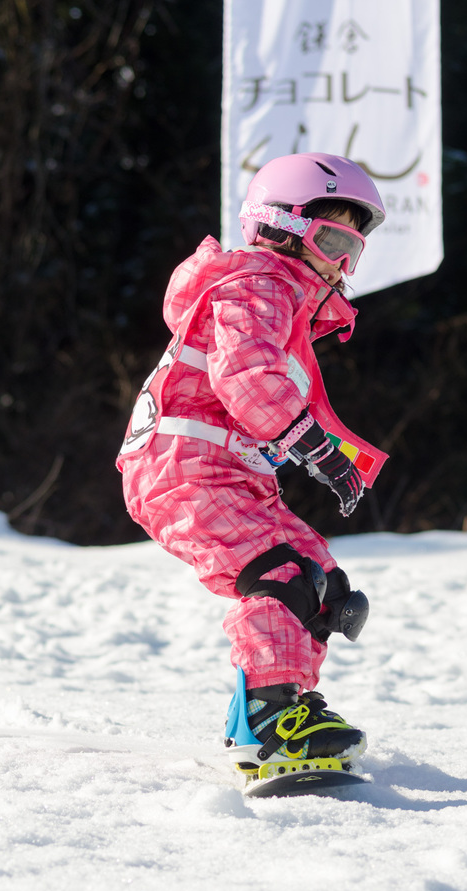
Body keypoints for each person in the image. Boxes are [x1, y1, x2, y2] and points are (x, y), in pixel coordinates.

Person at [116, 152, 387, 781]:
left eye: (354, 250)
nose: (342, 264)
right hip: (183, 468)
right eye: (333, 242)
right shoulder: (259, 281)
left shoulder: (283, 299)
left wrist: (331, 452)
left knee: (320, 581)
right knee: (279, 574)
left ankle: (284, 699)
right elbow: (244, 374)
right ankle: (267, 723)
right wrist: (313, 445)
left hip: (227, 473)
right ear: (282, 226)